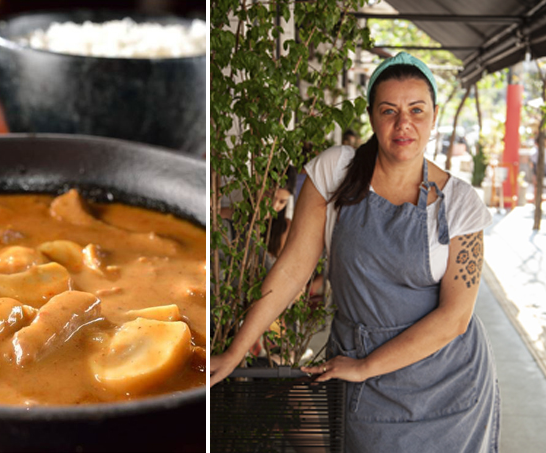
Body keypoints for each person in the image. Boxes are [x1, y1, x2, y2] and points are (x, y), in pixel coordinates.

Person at [210, 52, 500, 452]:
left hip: (448, 388)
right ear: (371, 117)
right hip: (360, 378)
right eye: (389, 110)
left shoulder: (459, 202)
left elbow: (454, 318)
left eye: (417, 109)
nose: (404, 123)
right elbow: (294, 269)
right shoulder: (336, 173)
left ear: (434, 115)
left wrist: (365, 367)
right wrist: (235, 351)